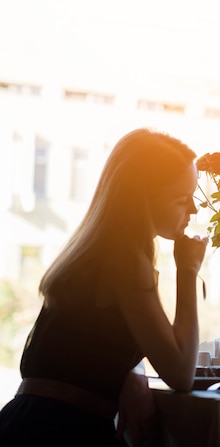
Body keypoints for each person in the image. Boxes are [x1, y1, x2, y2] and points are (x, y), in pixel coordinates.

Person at [0, 128, 208, 446]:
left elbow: (91, 345)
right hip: (61, 431)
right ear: (144, 199)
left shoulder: (99, 251)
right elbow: (181, 373)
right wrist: (188, 271)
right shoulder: (126, 261)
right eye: (181, 199)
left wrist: (131, 372)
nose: (193, 209)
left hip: (28, 422)